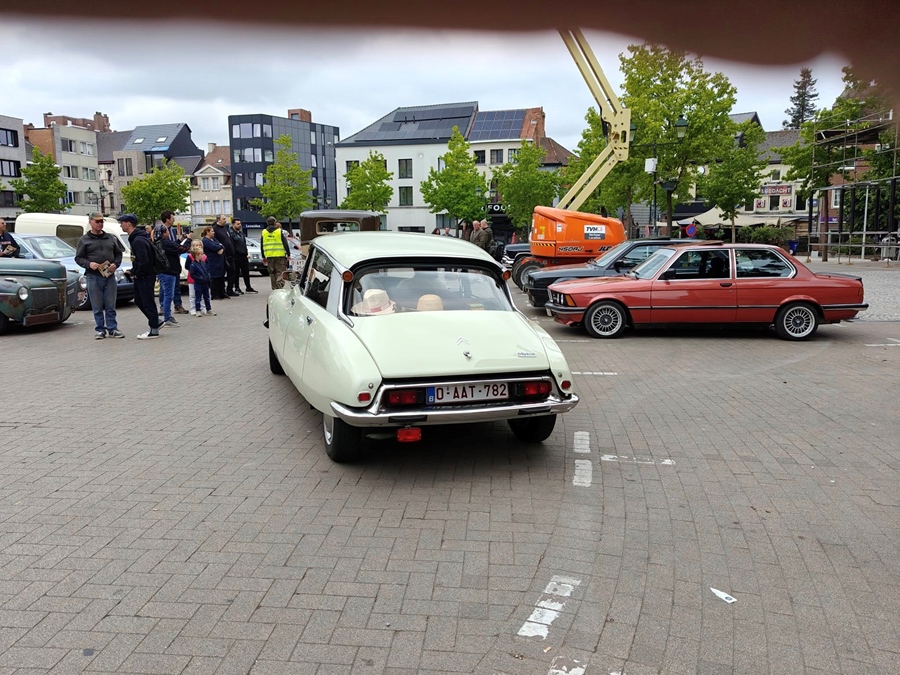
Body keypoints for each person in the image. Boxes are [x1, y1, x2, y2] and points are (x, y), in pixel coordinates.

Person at [74, 211, 124, 339]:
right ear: (90, 222)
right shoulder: (84, 240)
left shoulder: (110, 238)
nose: (100, 224)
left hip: (109, 275)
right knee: (97, 305)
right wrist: (89, 264)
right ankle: (100, 329)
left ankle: (112, 328)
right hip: (93, 276)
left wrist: (115, 264)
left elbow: (118, 254)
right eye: (97, 221)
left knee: (110, 304)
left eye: (101, 221)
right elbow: (78, 258)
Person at [118, 213, 161, 339]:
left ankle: (154, 329)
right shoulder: (137, 238)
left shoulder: (138, 240)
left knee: (147, 301)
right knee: (139, 300)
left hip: (145, 276)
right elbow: (138, 260)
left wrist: (137, 272)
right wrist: (133, 270)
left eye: (122, 223)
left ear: (128, 224)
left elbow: (144, 261)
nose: (121, 225)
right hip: (143, 275)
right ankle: (156, 321)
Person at [157, 226, 189, 328]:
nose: (168, 233)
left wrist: (180, 240)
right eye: (167, 231)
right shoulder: (166, 243)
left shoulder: (159, 242)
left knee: (167, 294)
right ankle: (167, 318)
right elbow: (182, 249)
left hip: (163, 271)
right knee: (168, 296)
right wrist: (189, 240)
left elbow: (174, 245)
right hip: (169, 271)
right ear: (163, 233)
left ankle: (167, 316)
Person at [186, 239, 215, 316]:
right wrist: (195, 271)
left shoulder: (204, 257)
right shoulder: (190, 257)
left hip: (203, 280)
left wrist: (207, 276)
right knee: (193, 295)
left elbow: (207, 267)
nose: (198, 246)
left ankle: (204, 308)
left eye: (199, 245)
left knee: (204, 295)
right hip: (193, 279)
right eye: (196, 245)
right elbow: (187, 266)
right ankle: (193, 308)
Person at [228, 218, 257, 293]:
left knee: (246, 272)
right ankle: (237, 288)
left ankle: (248, 287)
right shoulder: (231, 233)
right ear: (233, 224)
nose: (239, 225)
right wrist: (235, 253)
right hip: (236, 256)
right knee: (236, 273)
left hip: (244, 255)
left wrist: (246, 252)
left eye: (240, 223)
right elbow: (232, 245)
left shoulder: (241, 233)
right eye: (238, 224)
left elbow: (244, 244)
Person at [261, 216, 290, 290]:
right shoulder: (279, 231)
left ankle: (274, 288)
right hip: (280, 256)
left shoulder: (264, 232)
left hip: (269, 256)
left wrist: (263, 256)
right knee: (280, 272)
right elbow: (285, 243)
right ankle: (279, 285)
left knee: (272, 273)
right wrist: (288, 254)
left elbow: (262, 245)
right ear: (275, 222)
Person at [212, 214, 237, 297]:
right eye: (223, 219)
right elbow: (214, 241)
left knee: (232, 272)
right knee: (222, 274)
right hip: (223, 255)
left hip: (231, 255)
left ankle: (230, 289)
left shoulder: (226, 228)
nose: (225, 220)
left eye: (225, 219)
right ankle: (221, 291)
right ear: (218, 219)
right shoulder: (215, 229)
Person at [201, 225, 225, 298]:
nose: (214, 232)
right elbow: (215, 247)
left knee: (221, 278)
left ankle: (222, 293)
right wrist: (220, 247)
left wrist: (221, 247)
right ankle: (215, 294)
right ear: (207, 232)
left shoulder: (214, 239)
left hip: (219, 262)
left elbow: (222, 245)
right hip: (212, 262)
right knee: (214, 279)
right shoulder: (205, 241)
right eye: (212, 231)